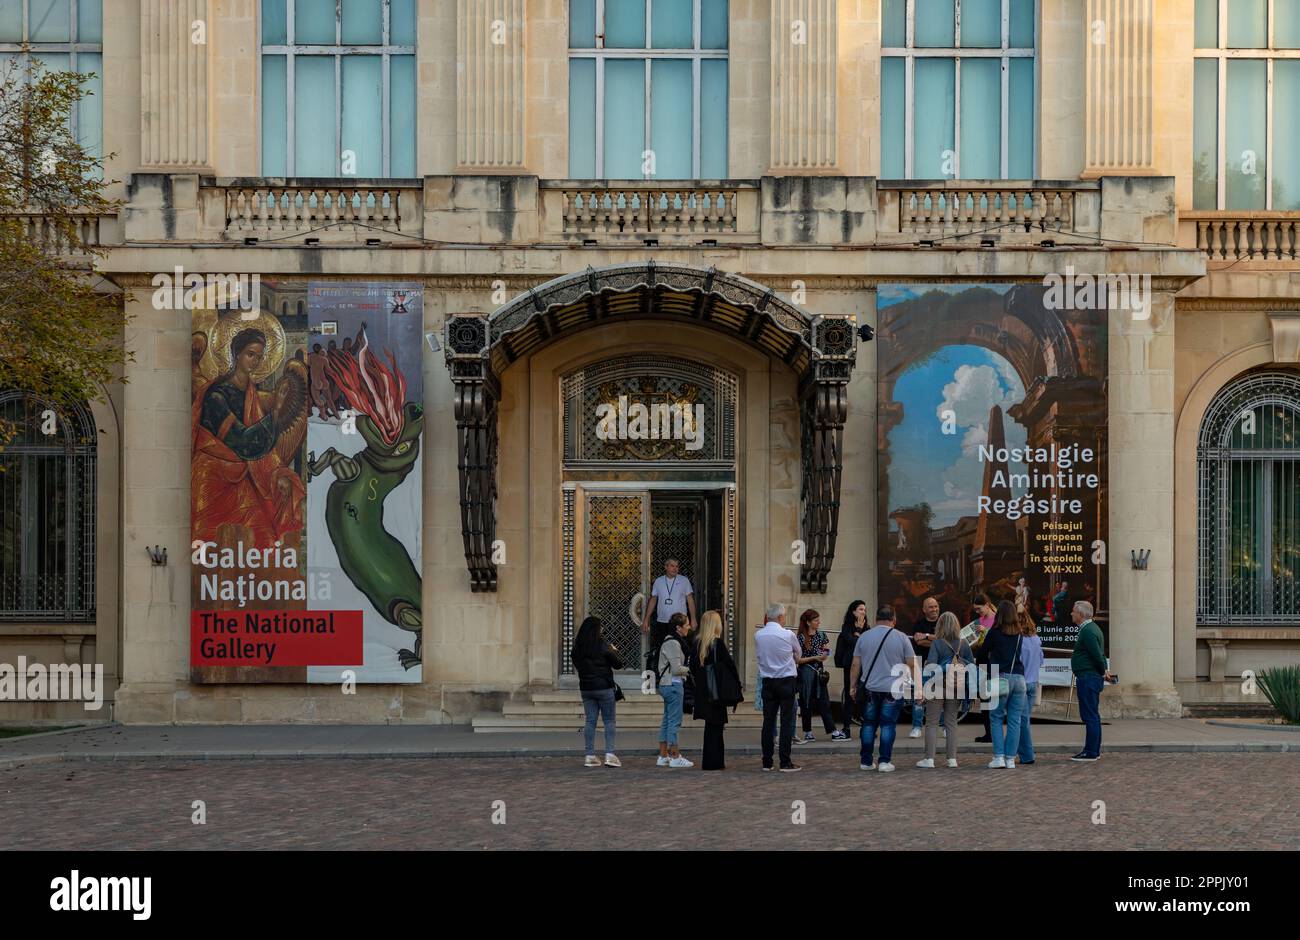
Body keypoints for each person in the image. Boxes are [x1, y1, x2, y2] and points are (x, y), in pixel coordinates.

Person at [849, 605, 920, 773]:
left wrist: (852, 686)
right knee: (888, 725)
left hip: (870, 687)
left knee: (868, 724)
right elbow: (912, 664)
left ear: (875, 619)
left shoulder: (864, 637)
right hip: (893, 689)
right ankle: (884, 761)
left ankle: (866, 761)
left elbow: (855, 665)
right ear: (893, 620)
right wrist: (918, 688)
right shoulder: (902, 638)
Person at [917, 611, 973, 768]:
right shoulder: (964, 643)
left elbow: (932, 666)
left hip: (937, 685)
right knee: (951, 722)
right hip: (957, 685)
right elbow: (970, 665)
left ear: (940, 625)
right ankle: (952, 759)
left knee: (932, 723)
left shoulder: (937, 643)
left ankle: (929, 759)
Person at [689, 610, 743, 770]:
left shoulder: (697, 643)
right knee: (716, 727)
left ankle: (711, 760)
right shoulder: (717, 644)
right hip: (716, 691)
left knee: (710, 726)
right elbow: (730, 666)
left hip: (703, 691)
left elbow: (692, 668)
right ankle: (715, 761)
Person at [570, 615, 624, 768]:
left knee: (590, 721)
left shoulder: (577, 648)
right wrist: (613, 651)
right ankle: (610, 754)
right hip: (604, 687)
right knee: (609, 721)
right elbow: (618, 665)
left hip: (586, 689)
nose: (602, 630)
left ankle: (589, 755)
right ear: (596, 630)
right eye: (600, 627)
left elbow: (578, 665)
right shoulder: (603, 646)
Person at [754, 602, 803, 772]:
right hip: (786, 680)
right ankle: (785, 761)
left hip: (768, 681)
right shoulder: (788, 634)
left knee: (768, 722)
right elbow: (798, 654)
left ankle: (767, 761)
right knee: (786, 721)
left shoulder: (758, 635)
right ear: (781, 617)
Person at [983, 600, 1027, 768]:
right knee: (1015, 720)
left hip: (1000, 677)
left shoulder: (994, 633)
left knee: (996, 717)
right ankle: (1010, 759)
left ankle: (999, 757)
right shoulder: (1019, 634)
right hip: (1019, 678)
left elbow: (982, 654)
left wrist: (989, 667)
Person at [794, 609, 847, 742]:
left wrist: (824, 655)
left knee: (824, 702)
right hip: (806, 672)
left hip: (819, 673)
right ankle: (808, 731)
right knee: (806, 702)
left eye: (818, 620)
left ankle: (833, 730)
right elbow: (798, 660)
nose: (819, 622)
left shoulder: (821, 635)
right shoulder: (800, 637)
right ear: (808, 622)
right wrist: (815, 657)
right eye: (816, 620)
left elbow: (826, 651)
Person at [1070, 600, 1110, 762]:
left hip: (1088, 677)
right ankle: (1092, 749)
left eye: (1073, 611)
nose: (1071, 614)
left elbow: (1096, 654)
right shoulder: (1091, 629)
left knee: (1090, 715)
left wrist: (1103, 671)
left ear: (1080, 614)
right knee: (1092, 715)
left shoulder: (1087, 630)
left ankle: (1091, 751)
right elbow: (1099, 654)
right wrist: (1104, 670)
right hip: (1090, 676)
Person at [641, 558, 698, 670]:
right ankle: (662, 675)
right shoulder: (659, 581)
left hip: (680, 622)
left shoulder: (684, 580)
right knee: (662, 648)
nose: (675, 568)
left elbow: (690, 600)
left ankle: (683, 674)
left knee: (681, 648)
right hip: (663, 621)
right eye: (672, 566)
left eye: (677, 566)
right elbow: (653, 600)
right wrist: (646, 619)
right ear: (666, 567)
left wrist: (693, 619)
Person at [655, 614, 694, 768]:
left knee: (666, 720)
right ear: (678, 627)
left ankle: (663, 755)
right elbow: (677, 669)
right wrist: (691, 670)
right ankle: (674, 755)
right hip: (673, 684)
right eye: (687, 624)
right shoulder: (673, 643)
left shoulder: (670, 641)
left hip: (668, 685)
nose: (689, 627)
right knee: (674, 721)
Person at [902, 596, 940, 739]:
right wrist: (936, 640)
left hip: (939, 665)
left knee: (940, 697)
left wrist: (926, 636)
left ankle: (942, 726)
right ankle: (917, 727)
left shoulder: (942, 622)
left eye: (936, 606)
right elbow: (919, 643)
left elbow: (945, 639)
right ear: (924, 610)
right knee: (919, 697)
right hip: (921, 664)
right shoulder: (918, 623)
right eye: (931, 607)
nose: (934, 609)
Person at [833, 600, 868, 734]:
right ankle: (846, 727)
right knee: (849, 695)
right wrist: (858, 630)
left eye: (864, 609)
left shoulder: (867, 627)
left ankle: (866, 726)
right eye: (860, 609)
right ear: (853, 611)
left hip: (864, 665)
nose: (863, 612)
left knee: (863, 696)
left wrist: (860, 631)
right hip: (850, 665)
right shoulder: (846, 626)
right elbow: (852, 642)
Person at [1016, 607, 1045, 766]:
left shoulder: (1019, 640)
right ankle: (1020, 751)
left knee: (1020, 720)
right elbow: (1041, 660)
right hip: (1033, 681)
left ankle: (1026, 754)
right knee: (1022, 719)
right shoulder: (1035, 639)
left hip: (1022, 681)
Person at [969, 593, 998, 743]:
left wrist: (985, 632)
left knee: (992, 698)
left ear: (987, 604)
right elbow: (975, 643)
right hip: (981, 662)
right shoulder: (978, 621)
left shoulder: (998, 619)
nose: (978, 612)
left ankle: (994, 733)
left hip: (992, 662)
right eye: (975, 610)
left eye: (979, 609)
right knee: (984, 698)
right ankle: (988, 733)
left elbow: (1000, 639)